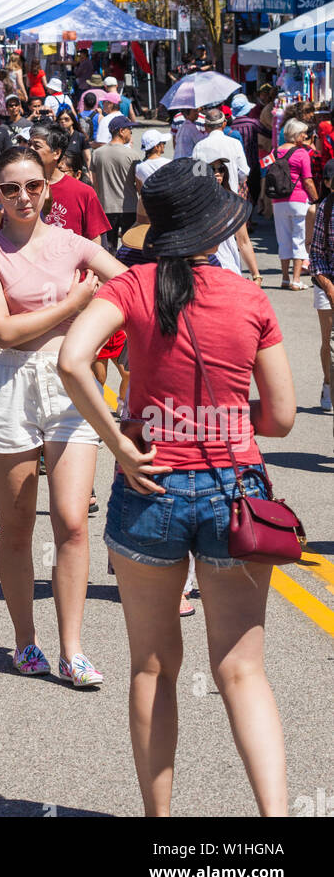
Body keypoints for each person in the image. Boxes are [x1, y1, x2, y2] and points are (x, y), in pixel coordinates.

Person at [58, 159, 294, 817]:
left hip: (152, 485)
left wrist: (118, 442)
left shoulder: (131, 286)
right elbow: (281, 415)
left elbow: (72, 360)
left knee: (153, 666)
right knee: (243, 669)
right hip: (235, 488)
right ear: (215, 230)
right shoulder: (249, 296)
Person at [0, 146, 125, 684]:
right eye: (11, 189)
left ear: (47, 187)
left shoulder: (73, 243)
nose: (24, 197)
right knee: (15, 528)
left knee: (73, 523)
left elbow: (128, 285)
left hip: (69, 384)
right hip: (11, 383)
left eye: (33, 186)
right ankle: (24, 640)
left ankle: (73, 647)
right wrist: (75, 303)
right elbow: (2, 332)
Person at [31, 127, 110, 240]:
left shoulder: (84, 192)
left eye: (36, 146)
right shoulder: (18, 189)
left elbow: (95, 241)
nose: (29, 150)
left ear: (57, 153)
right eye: (29, 144)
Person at [269, 118, 316, 290]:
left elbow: (266, 171)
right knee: (299, 240)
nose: (306, 135)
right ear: (296, 135)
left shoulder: (275, 152)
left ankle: (285, 278)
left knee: (283, 240)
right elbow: (308, 180)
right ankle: (296, 280)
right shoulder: (302, 153)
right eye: (303, 133)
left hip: (278, 200)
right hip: (298, 200)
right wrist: (316, 199)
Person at [307, 158, 334, 411]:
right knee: (329, 340)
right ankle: (329, 382)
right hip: (327, 279)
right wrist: (329, 286)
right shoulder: (322, 210)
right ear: (327, 183)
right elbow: (315, 255)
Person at [90, 117, 139, 253]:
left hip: (106, 207)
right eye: (130, 129)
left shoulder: (97, 154)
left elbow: (95, 182)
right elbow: (138, 183)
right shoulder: (132, 155)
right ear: (121, 131)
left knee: (108, 248)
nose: (131, 133)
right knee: (130, 247)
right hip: (128, 206)